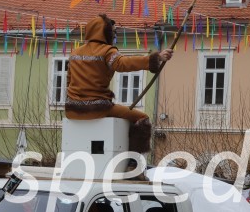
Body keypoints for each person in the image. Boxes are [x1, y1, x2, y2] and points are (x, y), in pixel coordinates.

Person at [65, 14, 173, 153]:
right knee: (142, 118)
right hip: (98, 109)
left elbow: (69, 81)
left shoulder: (75, 53)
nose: (114, 35)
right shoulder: (107, 51)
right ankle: (132, 160)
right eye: (113, 32)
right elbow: (123, 63)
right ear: (105, 33)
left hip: (72, 109)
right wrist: (155, 58)